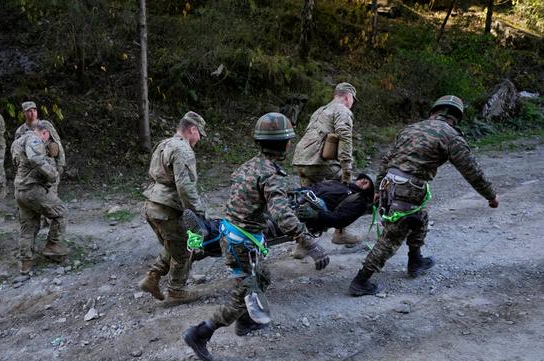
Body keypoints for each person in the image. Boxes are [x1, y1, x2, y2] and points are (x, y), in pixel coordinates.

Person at [182, 113, 328, 361]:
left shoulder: (248, 166)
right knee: (242, 297)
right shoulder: (271, 175)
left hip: (233, 235)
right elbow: (284, 218)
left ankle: (246, 322)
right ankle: (200, 333)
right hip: (242, 244)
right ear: (285, 144)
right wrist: (310, 243)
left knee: (262, 277)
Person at [349, 95, 500, 296]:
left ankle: (416, 259)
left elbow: (387, 159)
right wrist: (490, 196)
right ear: (456, 118)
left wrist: (378, 189)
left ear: (433, 112)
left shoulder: (410, 128)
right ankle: (361, 281)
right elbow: (472, 171)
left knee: (420, 218)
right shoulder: (452, 136)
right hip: (409, 188)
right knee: (392, 236)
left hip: (390, 183)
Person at [183, 174, 375, 259]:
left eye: (367, 183)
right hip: (292, 200)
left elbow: (339, 220)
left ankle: (207, 234)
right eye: (362, 178)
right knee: (248, 215)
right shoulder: (340, 184)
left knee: (258, 228)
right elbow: (312, 187)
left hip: (302, 215)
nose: (362, 181)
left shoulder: (357, 201)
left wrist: (317, 214)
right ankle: (207, 229)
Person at [137, 111, 208, 305]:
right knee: (186, 248)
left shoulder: (164, 144)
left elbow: (155, 174)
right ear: (192, 130)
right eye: (199, 134)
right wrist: (198, 212)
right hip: (167, 210)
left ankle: (152, 278)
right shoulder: (183, 149)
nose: (199, 139)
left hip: (152, 205)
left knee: (173, 244)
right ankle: (176, 290)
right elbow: (185, 187)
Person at [292, 82, 360, 246]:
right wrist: (347, 169)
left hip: (301, 160)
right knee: (349, 191)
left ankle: (302, 246)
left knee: (309, 200)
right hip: (318, 163)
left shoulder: (320, 110)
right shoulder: (342, 110)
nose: (352, 104)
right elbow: (345, 138)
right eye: (353, 100)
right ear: (347, 96)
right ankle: (340, 232)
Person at [12, 120, 69, 274]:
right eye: (46, 138)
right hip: (33, 189)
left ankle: (26, 262)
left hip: (20, 190)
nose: (46, 142)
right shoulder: (35, 139)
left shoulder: (18, 141)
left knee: (28, 226)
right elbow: (36, 159)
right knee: (61, 212)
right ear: (45, 133)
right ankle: (52, 245)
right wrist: (52, 174)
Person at [14, 101, 65, 191]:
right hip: (30, 170)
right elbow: (16, 151)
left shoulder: (45, 125)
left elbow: (57, 143)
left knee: (50, 194)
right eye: (29, 111)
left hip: (48, 165)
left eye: (34, 110)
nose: (32, 113)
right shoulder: (21, 130)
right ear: (24, 113)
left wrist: (61, 163)